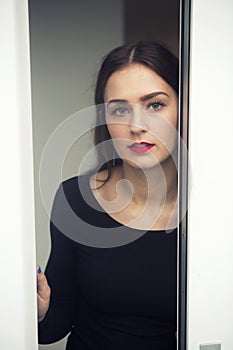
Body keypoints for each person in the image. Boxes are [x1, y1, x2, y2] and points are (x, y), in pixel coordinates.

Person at [37, 41, 179, 350]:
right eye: (120, 109)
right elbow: (53, 327)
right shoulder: (75, 198)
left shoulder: (213, 210)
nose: (137, 126)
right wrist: (37, 310)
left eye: (155, 104)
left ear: (184, 108)